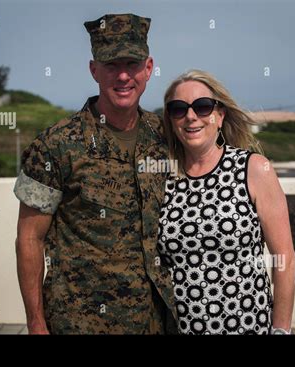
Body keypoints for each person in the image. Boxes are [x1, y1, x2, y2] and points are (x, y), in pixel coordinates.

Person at [14, 13, 177, 334]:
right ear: (94, 70)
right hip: (80, 322)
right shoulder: (56, 145)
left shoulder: (165, 136)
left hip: (154, 319)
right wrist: (35, 322)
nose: (123, 76)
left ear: (148, 68)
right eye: (111, 65)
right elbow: (28, 238)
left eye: (132, 64)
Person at [158, 69, 295, 335]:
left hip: (246, 328)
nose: (190, 116)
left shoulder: (254, 169)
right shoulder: (163, 178)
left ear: (219, 116)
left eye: (202, 107)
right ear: (171, 120)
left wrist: (281, 331)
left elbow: (285, 259)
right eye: (178, 109)